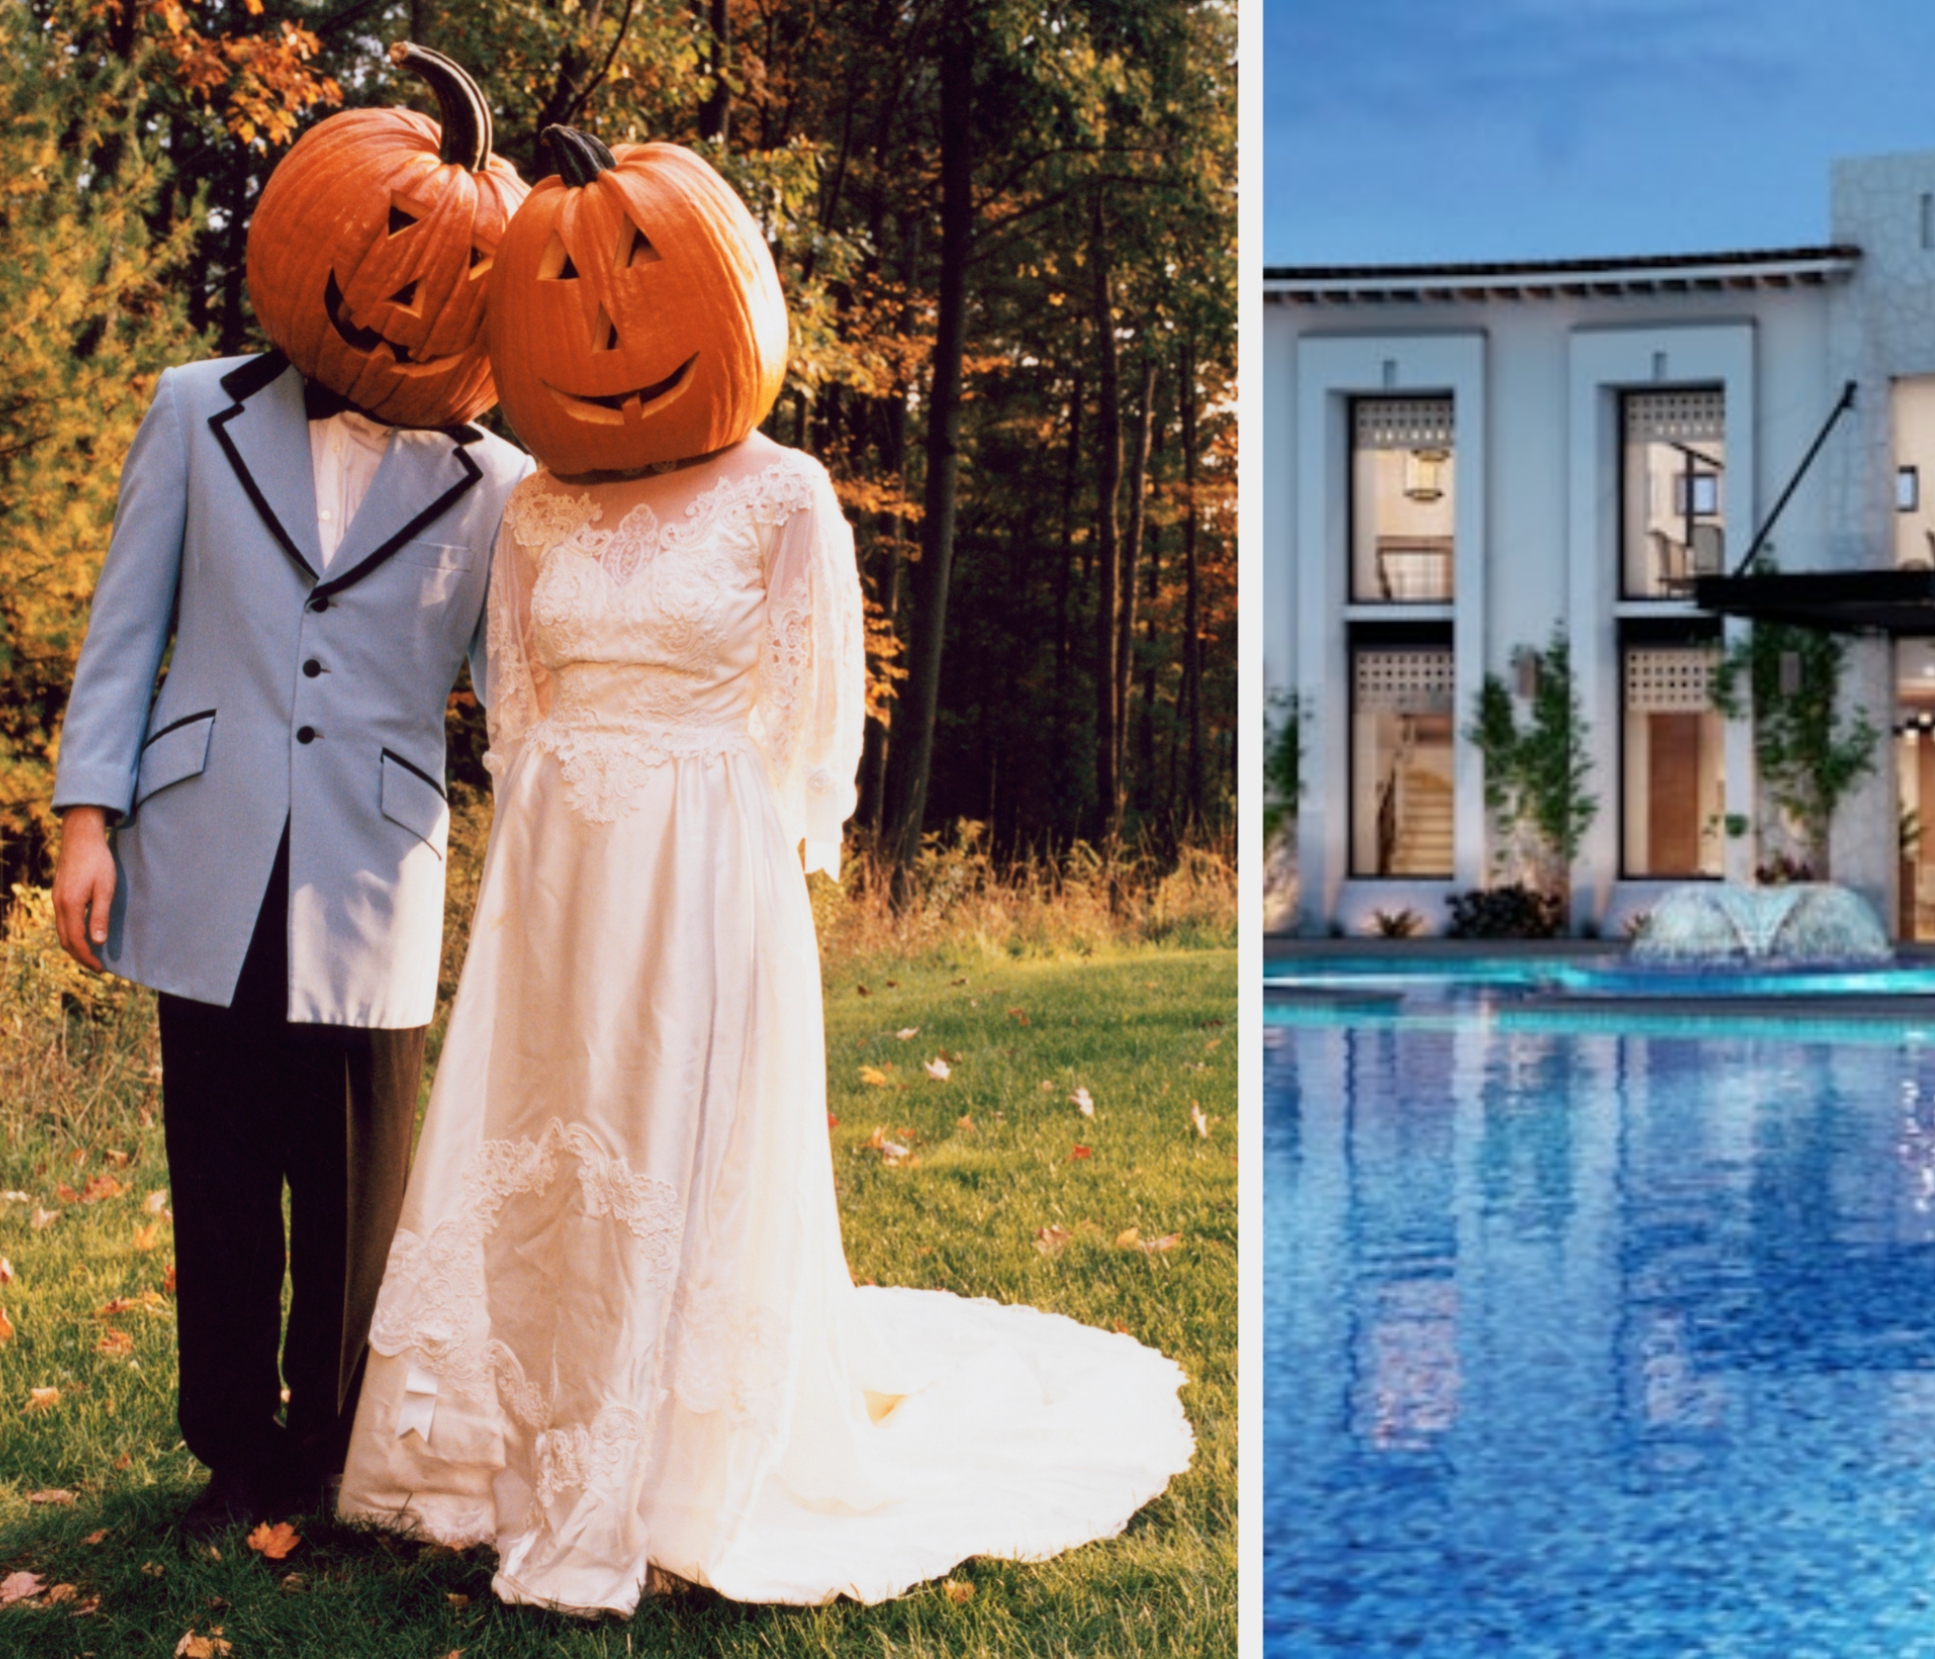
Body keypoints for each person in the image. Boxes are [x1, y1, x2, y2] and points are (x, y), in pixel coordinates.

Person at [334, 128, 1194, 1615]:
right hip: (560, 863)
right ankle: (505, 1439)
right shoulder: (536, 503)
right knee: (550, 1133)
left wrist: (769, 846)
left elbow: (811, 720)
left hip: (705, 856)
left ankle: (674, 1462)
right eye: (565, 295)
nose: (602, 329)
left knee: (682, 1131)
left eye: (641, 284)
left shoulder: (784, 492)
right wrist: (547, 826)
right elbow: (518, 698)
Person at [47, 46, 530, 1538]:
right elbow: (129, 625)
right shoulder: (195, 410)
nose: (403, 290)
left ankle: (331, 1451)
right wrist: (85, 819)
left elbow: (514, 697)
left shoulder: (499, 484)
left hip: (374, 859)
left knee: (353, 1189)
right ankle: (229, 1450)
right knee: (223, 1165)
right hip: (202, 842)